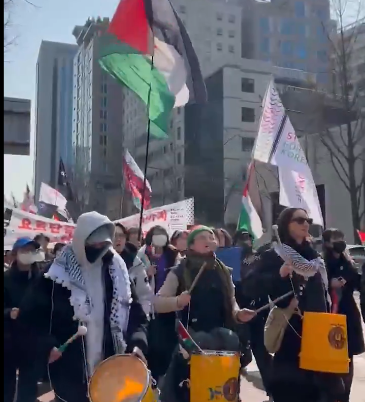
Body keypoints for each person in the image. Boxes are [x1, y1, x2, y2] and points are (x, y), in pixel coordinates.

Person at [17, 212, 149, 402]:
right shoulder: (55, 275)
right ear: (80, 241)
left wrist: (138, 343)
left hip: (112, 368)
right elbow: (29, 319)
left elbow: (136, 314)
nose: (98, 249)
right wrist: (46, 346)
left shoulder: (117, 273)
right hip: (70, 371)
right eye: (93, 245)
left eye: (102, 245)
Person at [243, 208, 343, 402]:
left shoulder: (315, 257)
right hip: (292, 330)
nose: (305, 224)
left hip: (319, 330)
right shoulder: (274, 254)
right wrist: (277, 275)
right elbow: (250, 287)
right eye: (299, 220)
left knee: (324, 390)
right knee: (292, 390)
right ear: (285, 224)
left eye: (308, 220)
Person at [154, 225, 256, 402]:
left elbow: (232, 303)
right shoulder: (180, 271)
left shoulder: (223, 271)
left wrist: (239, 314)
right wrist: (178, 301)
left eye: (211, 237)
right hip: (189, 337)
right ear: (191, 246)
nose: (209, 241)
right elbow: (158, 303)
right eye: (203, 238)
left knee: (229, 340)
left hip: (221, 336)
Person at [322, 228, 364, 402]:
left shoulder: (348, 261)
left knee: (348, 356)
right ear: (326, 242)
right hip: (330, 313)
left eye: (341, 237)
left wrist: (348, 277)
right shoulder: (322, 262)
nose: (339, 241)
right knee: (332, 357)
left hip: (348, 313)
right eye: (335, 238)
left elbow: (357, 282)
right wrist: (329, 283)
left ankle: (345, 395)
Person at [4, 237, 45, 402]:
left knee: (28, 386)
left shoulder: (41, 278)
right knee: (7, 385)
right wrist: (9, 313)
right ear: (15, 254)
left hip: (32, 340)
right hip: (9, 340)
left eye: (32, 250)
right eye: (24, 250)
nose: (28, 254)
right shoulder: (6, 279)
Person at [138, 225, 181, 383]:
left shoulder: (173, 253)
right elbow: (133, 276)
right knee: (153, 342)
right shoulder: (142, 254)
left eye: (162, 234)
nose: (159, 237)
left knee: (167, 341)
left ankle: (165, 375)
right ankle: (152, 376)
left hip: (168, 305)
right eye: (156, 234)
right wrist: (146, 273)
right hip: (149, 305)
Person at [238, 230, 272, 398]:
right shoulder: (229, 258)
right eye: (242, 239)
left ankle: (272, 389)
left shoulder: (260, 257)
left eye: (248, 238)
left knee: (261, 349)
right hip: (237, 310)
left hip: (259, 309)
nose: (246, 242)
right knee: (238, 349)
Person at [114, 223, 152, 316]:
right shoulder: (98, 262)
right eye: (114, 235)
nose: (118, 239)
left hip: (132, 321)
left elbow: (144, 295)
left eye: (121, 235)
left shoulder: (135, 262)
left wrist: (144, 318)